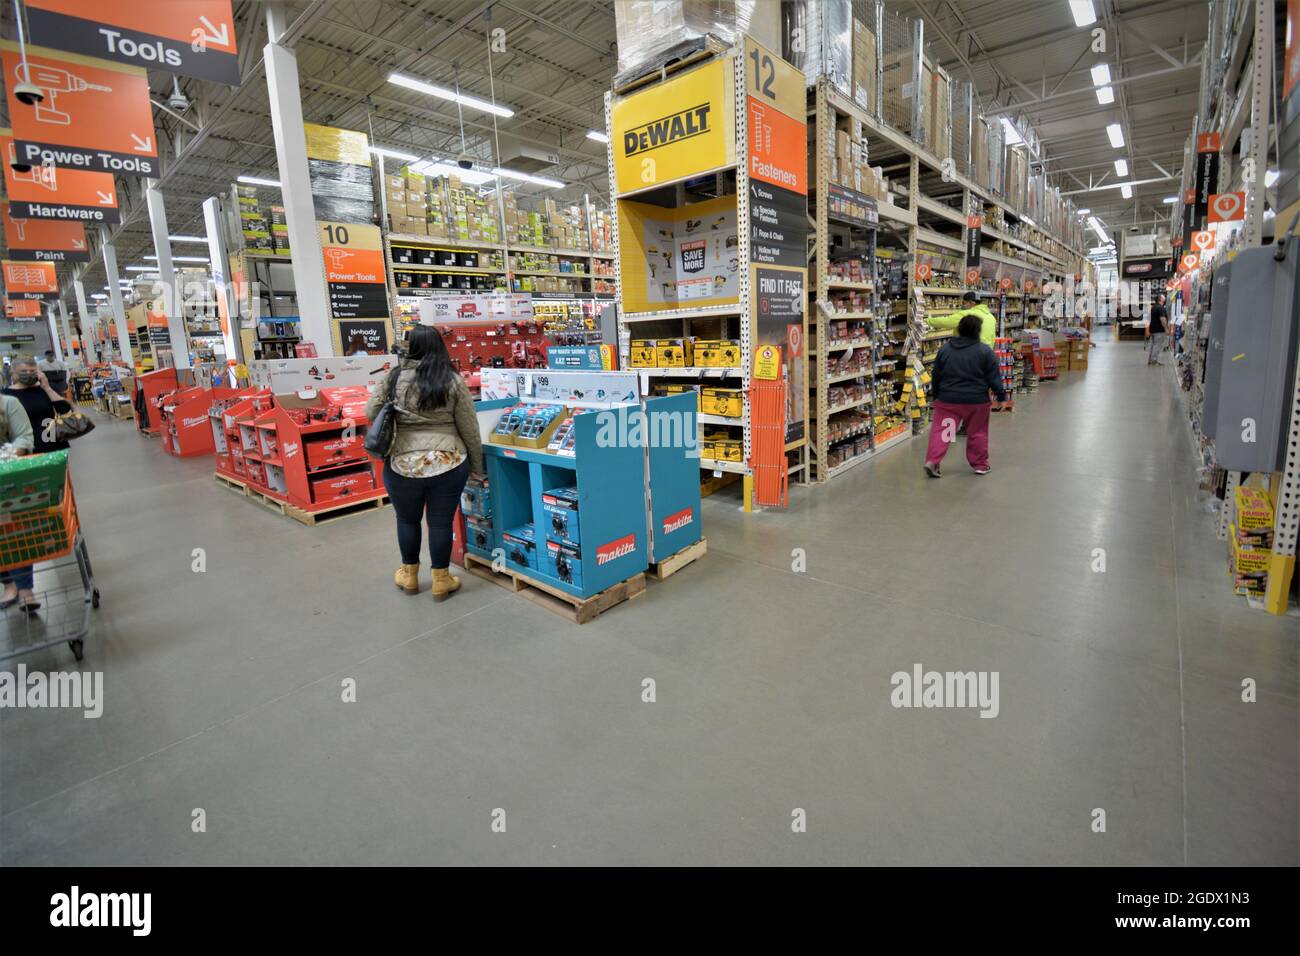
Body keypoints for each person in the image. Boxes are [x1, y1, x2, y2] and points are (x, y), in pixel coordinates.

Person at [365, 325, 484, 601]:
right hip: (449, 461)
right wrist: (477, 466)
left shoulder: (393, 378)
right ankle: (441, 580)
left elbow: (370, 411)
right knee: (440, 523)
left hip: (402, 463)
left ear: (410, 348)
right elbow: (469, 427)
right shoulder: (451, 380)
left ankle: (409, 576)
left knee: (407, 520)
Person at [924, 312, 1008, 478]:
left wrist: (936, 395)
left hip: (948, 401)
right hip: (976, 402)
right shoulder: (985, 351)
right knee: (977, 432)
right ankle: (980, 465)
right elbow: (994, 377)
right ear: (978, 331)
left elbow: (937, 375)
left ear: (959, 329)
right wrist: (1001, 397)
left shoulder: (945, 349)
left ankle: (933, 461)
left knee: (943, 433)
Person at [0, 389, 37, 613]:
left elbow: (24, 436)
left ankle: (25, 589)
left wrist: (8, 458)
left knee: (12, 532)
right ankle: (9, 584)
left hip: (7, 478)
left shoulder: (8, 403)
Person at [4, 355, 72, 455]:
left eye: (32, 371)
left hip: (53, 445)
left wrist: (47, 388)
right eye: (23, 371)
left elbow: (64, 409)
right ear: (14, 373)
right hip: (22, 451)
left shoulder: (47, 388)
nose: (28, 374)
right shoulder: (6, 395)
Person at [926, 290, 996, 347]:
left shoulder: (966, 314)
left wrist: (926, 321)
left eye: (964, 303)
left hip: (969, 351)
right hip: (986, 354)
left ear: (971, 303)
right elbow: (993, 338)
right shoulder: (991, 317)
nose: (963, 305)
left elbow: (946, 322)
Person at [1146, 292, 1169, 365]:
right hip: (1159, 330)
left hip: (1153, 329)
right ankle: (1154, 361)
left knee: (1153, 345)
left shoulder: (1154, 307)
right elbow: (1162, 319)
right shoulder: (1161, 308)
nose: (1164, 298)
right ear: (1161, 299)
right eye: (1163, 297)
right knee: (1157, 345)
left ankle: (1151, 360)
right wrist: (1166, 328)